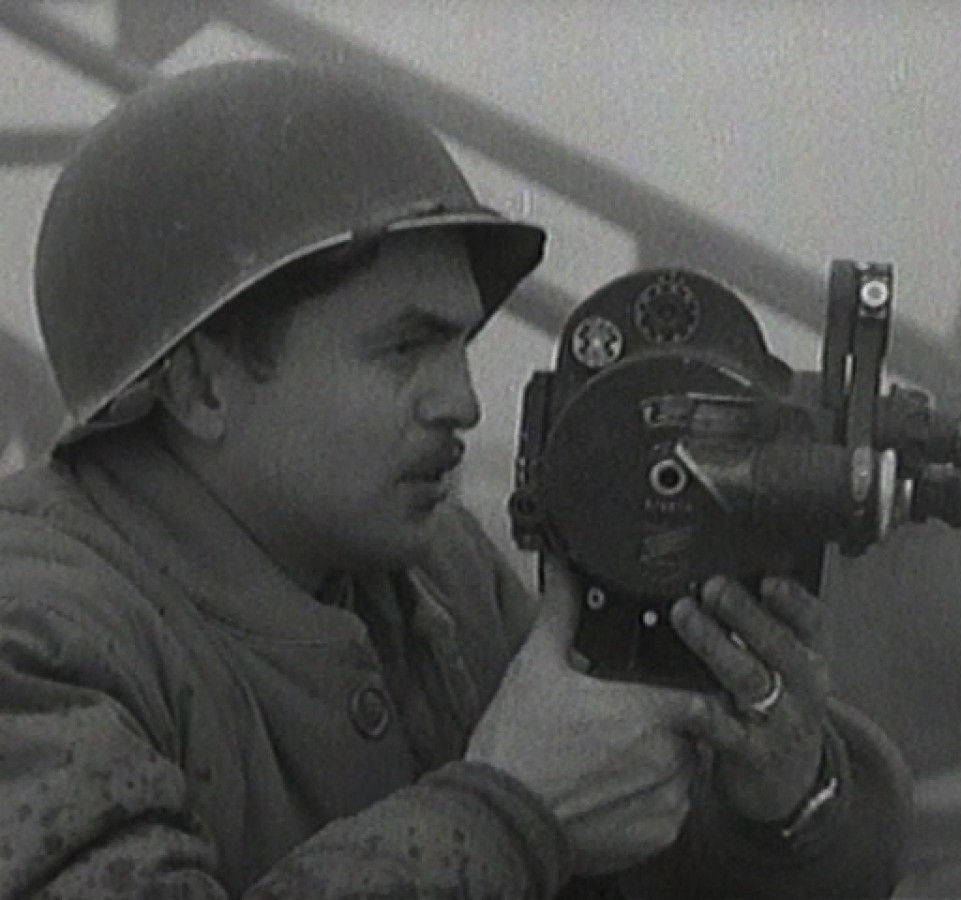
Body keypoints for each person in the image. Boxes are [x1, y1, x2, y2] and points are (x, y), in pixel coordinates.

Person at [0, 60, 911, 899]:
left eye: (463, 344)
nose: (465, 402)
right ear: (202, 383)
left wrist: (781, 806)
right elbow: (533, 824)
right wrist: (510, 815)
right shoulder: (34, 639)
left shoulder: (439, 578)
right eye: (407, 347)